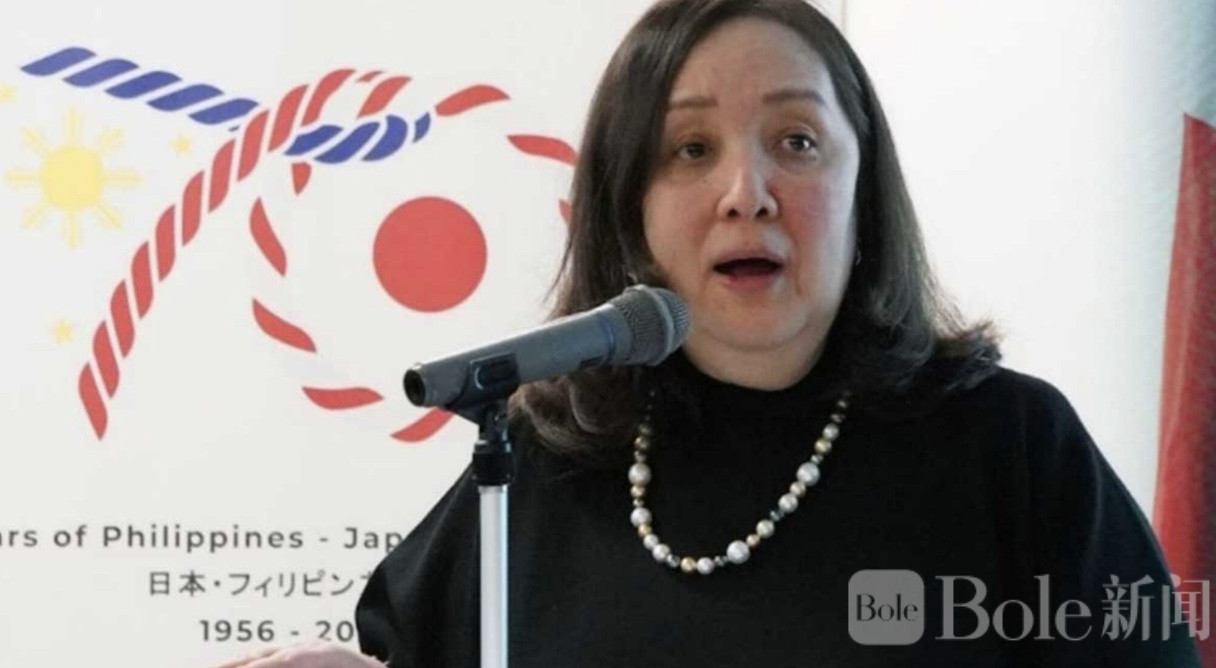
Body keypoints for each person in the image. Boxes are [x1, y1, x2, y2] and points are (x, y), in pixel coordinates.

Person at [212, 0, 1201, 665]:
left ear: (864, 192)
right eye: (689, 149)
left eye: (797, 141)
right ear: (629, 209)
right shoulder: (541, 461)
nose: (745, 192)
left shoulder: (1011, 449)